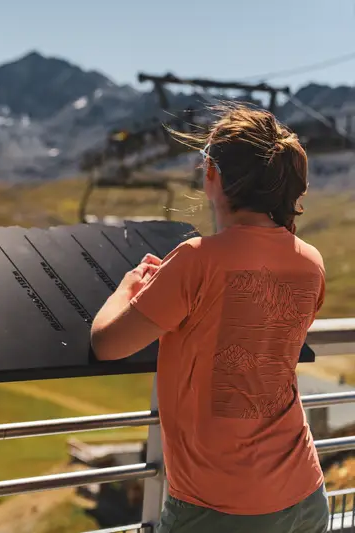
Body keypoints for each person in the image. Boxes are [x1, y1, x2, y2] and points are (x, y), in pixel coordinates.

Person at [90, 103, 329, 533]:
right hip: (304, 495)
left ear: (213, 174)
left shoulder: (196, 260)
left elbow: (107, 344)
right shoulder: (311, 263)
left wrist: (128, 286)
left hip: (218, 508)